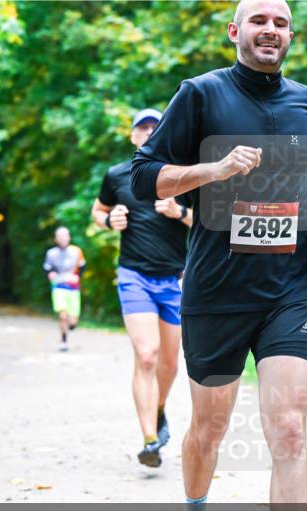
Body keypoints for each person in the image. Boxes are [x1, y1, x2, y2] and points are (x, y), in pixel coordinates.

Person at [131, 0, 307, 511]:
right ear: (235, 31)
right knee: (209, 431)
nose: (270, 31)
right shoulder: (200, 95)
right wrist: (215, 169)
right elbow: (147, 178)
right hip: (217, 292)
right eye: (259, 21)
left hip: (291, 288)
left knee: (290, 429)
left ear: (291, 35)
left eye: (281, 23)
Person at [91, 108, 193, 468]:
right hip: (134, 275)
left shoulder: (182, 175)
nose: (149, 132)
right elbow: (98, 210)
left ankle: (159, 408)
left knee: (169, 364)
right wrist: (109, 220)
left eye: (155, 126)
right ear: (133, 136)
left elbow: (209, 221)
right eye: (142, 127)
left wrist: (179, 213)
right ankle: (150, 440)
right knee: (146, 355)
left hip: (175, 279)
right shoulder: (117, 175)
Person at [43, 226, 86, 352]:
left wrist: (77, 276)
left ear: (69, 238)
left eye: (65, 236)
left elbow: (83, 266)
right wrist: (51, 274)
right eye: (60, 236)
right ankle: (63, 340)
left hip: (73, 288)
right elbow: (47, 268)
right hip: (59, 287)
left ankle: (71, 325)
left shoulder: (76, 251)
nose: (62, 239)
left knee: (72, 321)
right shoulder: (51, 253)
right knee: (62, 316)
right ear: (56, 239)